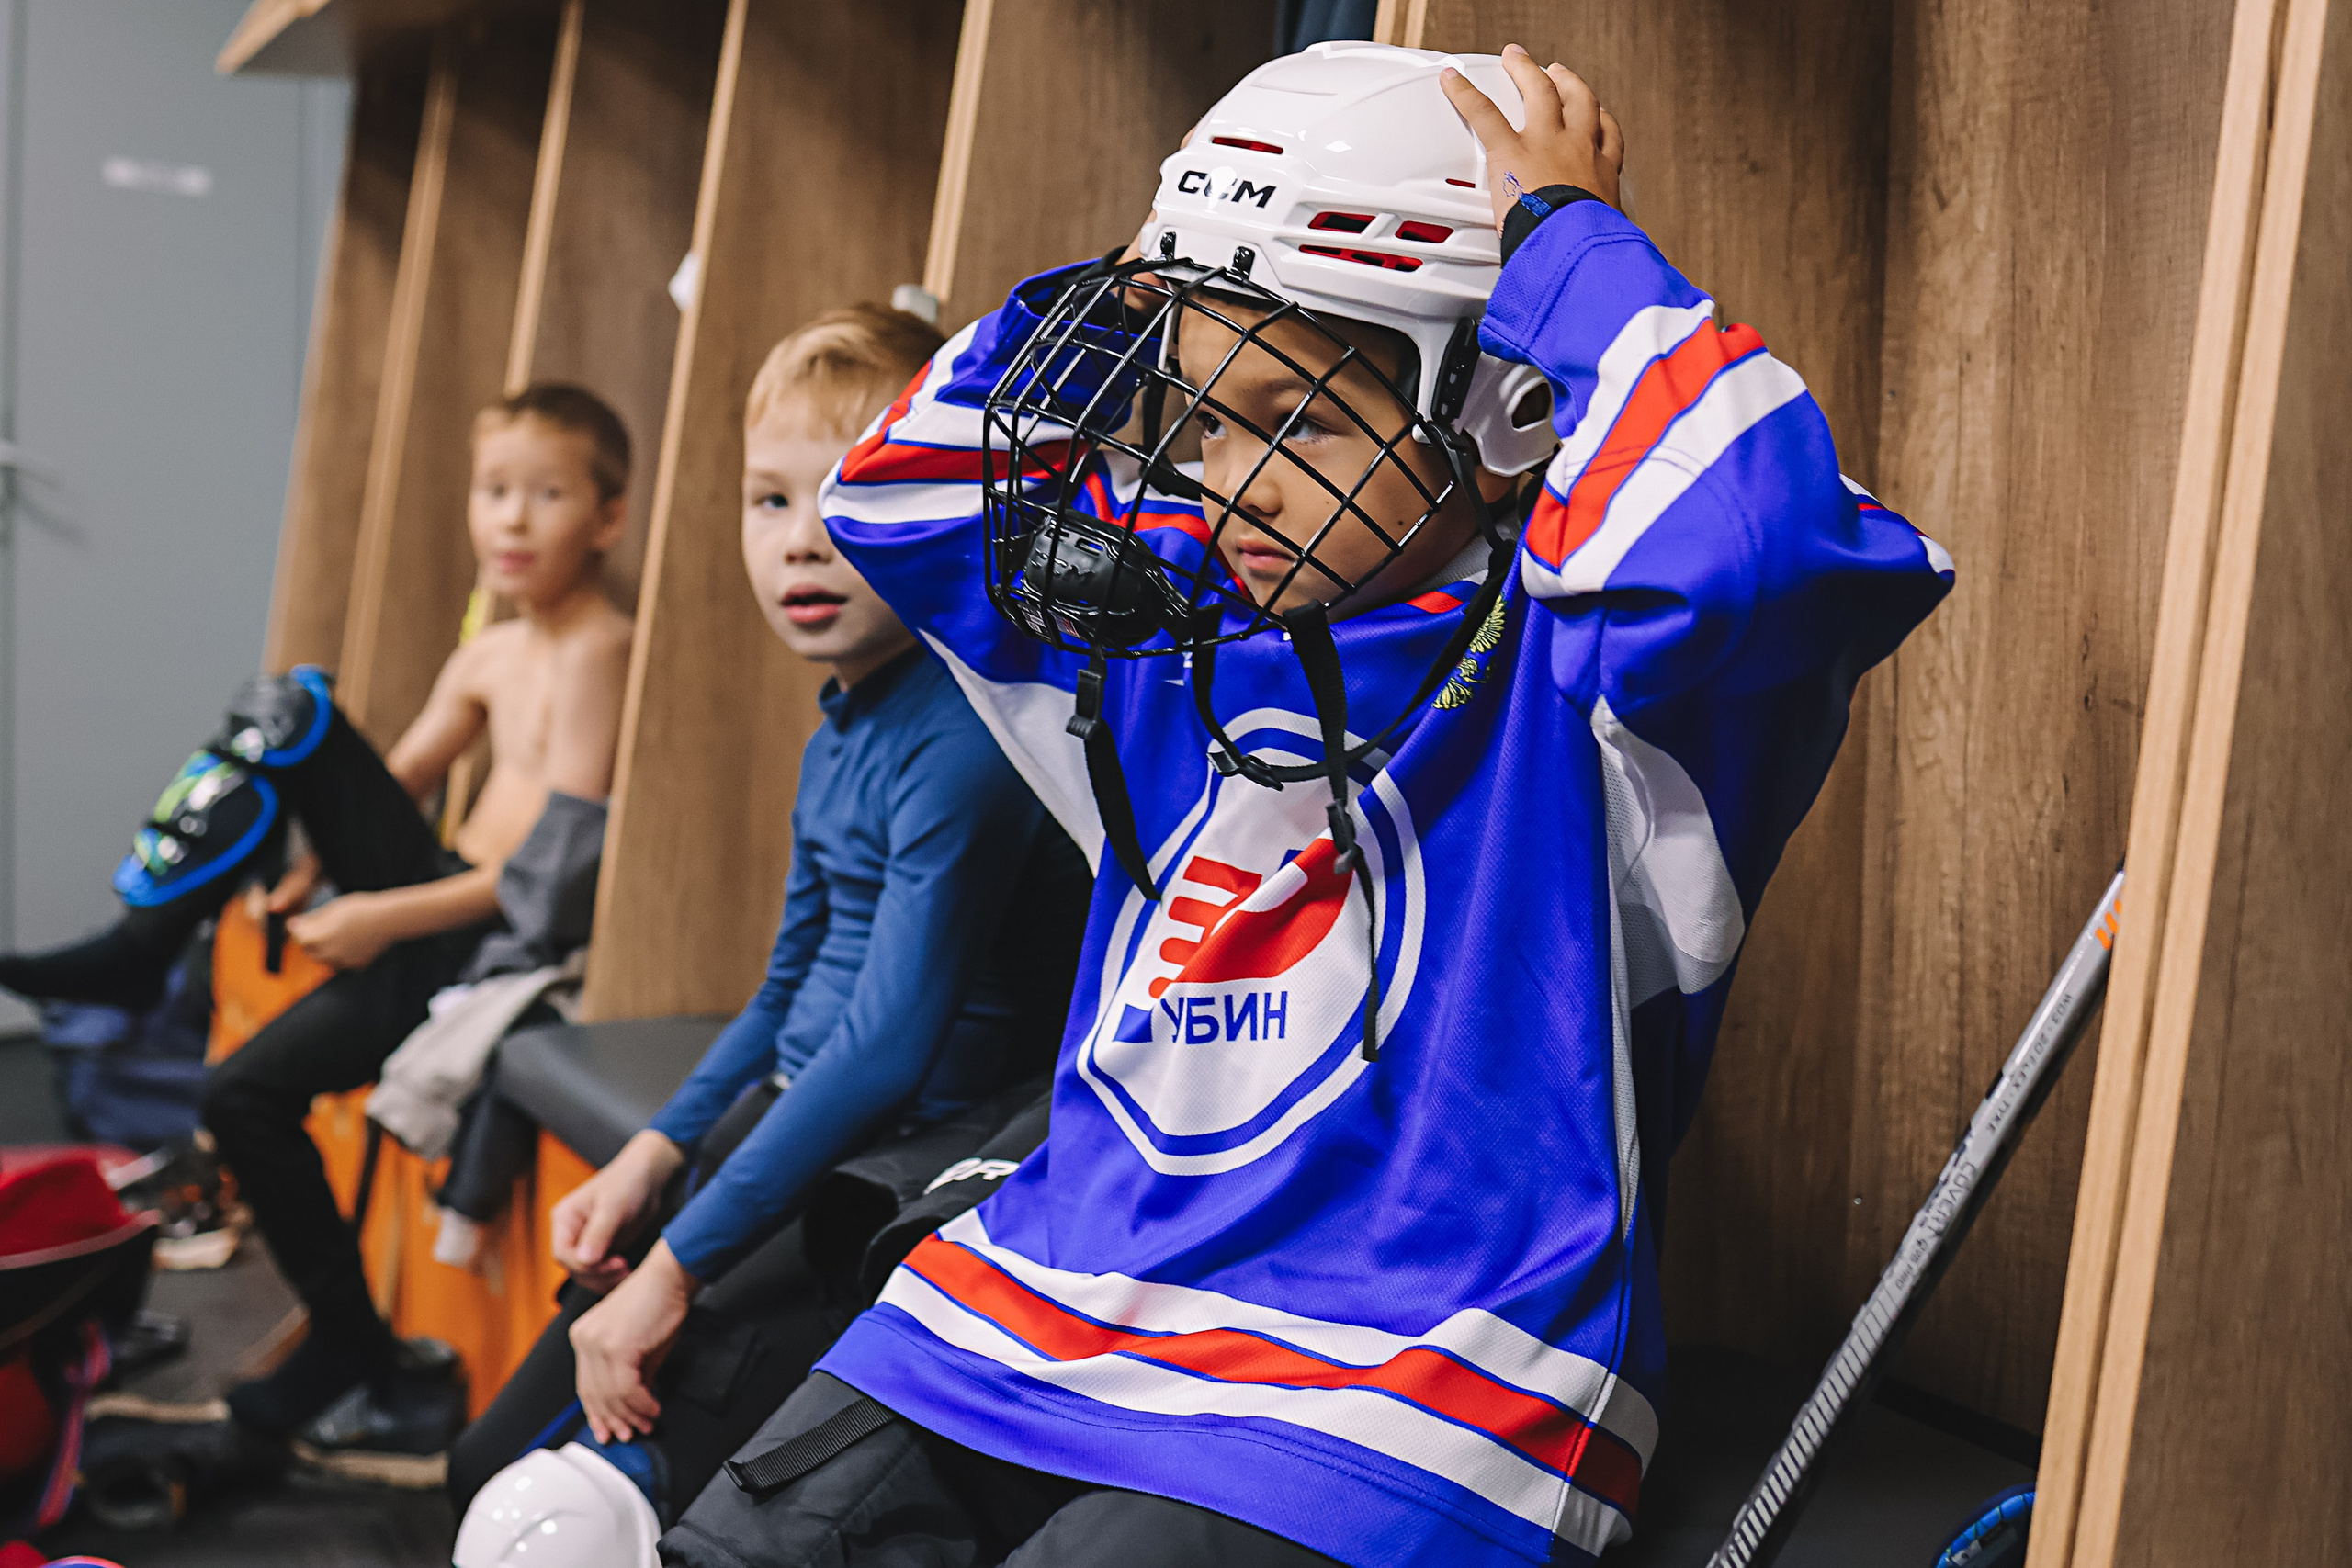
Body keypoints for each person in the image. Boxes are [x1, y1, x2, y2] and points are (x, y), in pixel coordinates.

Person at [662, 41, 1952, 1568]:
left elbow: (1759, 545)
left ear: (1499, 401)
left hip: (1416, 1378)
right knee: (744, 1537)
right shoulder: (1172, 606)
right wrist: (1166, 268)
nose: (1228, 481)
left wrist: (1572, 252)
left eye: (1297, 420)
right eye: (1203, 416)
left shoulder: (1599, 663)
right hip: (1059, 1297)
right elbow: (901, 488)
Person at [445, 307, 1092, 1548]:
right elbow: (788, 983)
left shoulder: (966, 737)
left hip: (885, 1177)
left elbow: (886, 1048)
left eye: (852, 492)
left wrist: (673, 1273)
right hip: (784, 1122)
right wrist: (651, 1151)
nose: (806, 543)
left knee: (575, 1516)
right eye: (767, 501)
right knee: (485, 1455)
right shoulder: (842, 720)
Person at [0, 383, 638, 1468]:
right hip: (424, 902)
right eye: (493, 493)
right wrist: (306, 866)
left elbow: (546, 885)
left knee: (240, 1089)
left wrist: (379, 911)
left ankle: (138, 953)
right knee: (288, 717)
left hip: (480, 938)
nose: (512, 521)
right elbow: (396, 781)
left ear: (609, 519)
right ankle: (142, 945)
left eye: (545, 495)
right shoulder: (491, 649)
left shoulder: (599, 651)